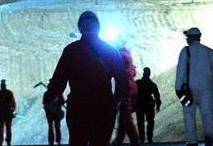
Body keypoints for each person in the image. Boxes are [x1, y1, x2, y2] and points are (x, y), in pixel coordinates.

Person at [46, 11, 129, 146]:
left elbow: (58, 81)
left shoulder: (71, 50)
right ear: (98, 28)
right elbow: (123, 83)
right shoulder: (110, 50)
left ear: (80, 28)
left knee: (78, 141)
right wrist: (113, 105)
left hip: (78, 108)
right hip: (103, 108)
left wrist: (50, 99)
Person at [175, 27, 213, 146]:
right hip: (206, 89)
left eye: (187, 37)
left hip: (189, 90)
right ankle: (209, 139)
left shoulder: (185, 51)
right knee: (207, 114)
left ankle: (192, 141)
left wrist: (178, 89)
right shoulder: (209, 51)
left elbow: (180, 71)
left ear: (190, 38)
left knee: (189, 114)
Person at [113, 47, 140, 146]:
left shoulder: (121, 55)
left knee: (126, 115)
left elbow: (117, 71)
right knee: (123, 117)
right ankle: (118, 141)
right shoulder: (127, 54)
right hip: (130, 86)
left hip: (125, 87)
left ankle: (135, 141)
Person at [135, 67, 161, 143]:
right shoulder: (152, 84)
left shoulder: (138, 83)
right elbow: (157, 97)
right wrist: (158, 105)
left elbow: (157, 96)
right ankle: (147, 138)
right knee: (147, 122)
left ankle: (144, 139)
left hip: (142, 105)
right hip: (145, 105)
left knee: (142, 122)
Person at [0, 79, 17, 146]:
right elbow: (14, 103)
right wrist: (13, 111)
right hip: (8, 113)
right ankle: (7, 142)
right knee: (8, 128)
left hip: (2, 114)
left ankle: (0, 142)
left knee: (1, 129)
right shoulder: (9, 93)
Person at [42, 79, 66, 145]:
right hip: (50, 112)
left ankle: (55, 141)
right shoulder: (48, 94)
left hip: (56, 112)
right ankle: (52, 141)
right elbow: (44, 103)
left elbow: (63, 102)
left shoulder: (57, 94)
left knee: (56, 126)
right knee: (53, 126)